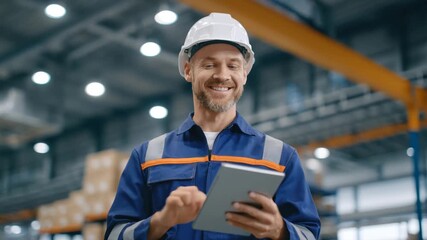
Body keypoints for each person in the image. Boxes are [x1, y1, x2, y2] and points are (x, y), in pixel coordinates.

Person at [105, 12, 320, 240]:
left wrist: (280, 230)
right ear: (189, 71)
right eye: (209, 64)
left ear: (244, 74)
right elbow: (115, 235)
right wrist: (160, 221)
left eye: (233, 66)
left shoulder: (279, 157)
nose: (222, 75)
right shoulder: (147, 156)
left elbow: (309, 234)